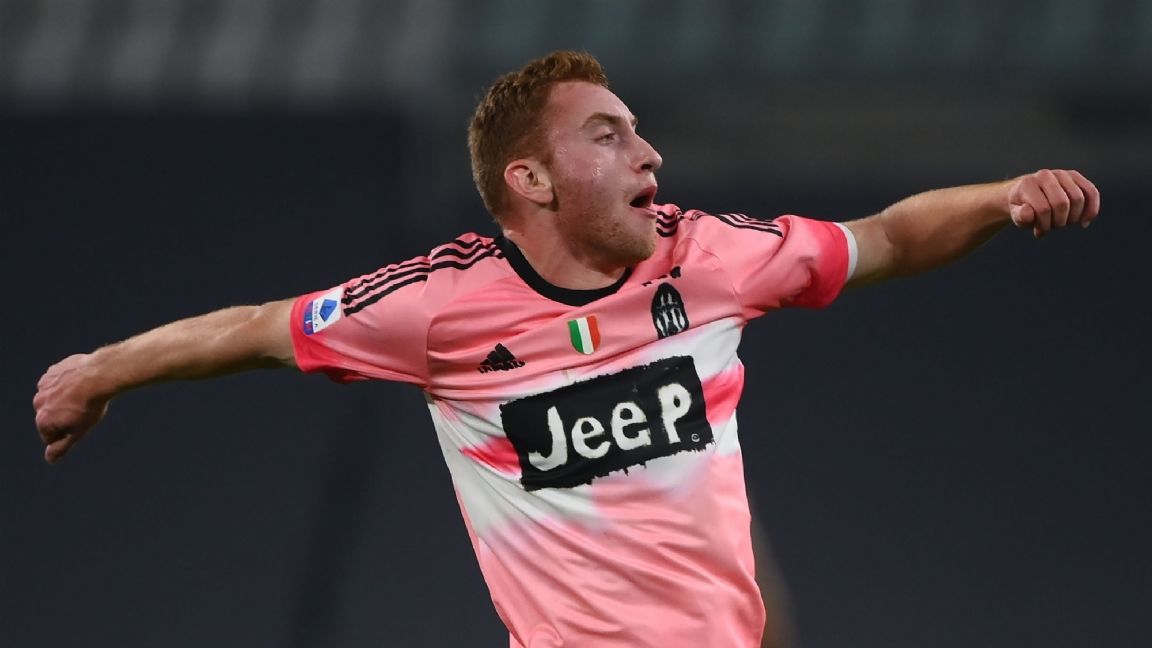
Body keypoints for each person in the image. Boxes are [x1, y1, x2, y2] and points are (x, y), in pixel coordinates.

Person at [33, 51, 1100, 648]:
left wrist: (1002, 197)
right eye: (608, 135)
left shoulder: (708, 258)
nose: (650, 154)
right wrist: (101, 371)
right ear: (530, 182)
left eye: (638, 130)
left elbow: (889, 238)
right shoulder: (439, 308)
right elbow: (261, 328)